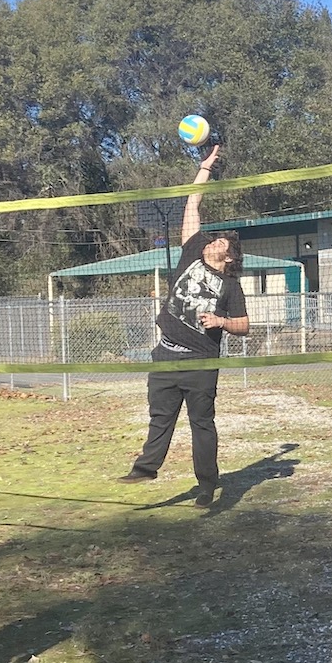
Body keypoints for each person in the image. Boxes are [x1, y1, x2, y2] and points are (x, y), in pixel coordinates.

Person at [118, 144, 249, 505]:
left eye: (220, 241)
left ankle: (207, 486)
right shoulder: (192, 251)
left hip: (200, 363)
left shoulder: (231, 286)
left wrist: (221, 320)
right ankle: (146, 468)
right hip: (165, 356)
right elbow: (192, 205)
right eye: (214, 238)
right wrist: (204, 168)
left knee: (201, 426)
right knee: (160, 417)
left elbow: (244, 325)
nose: (213, 241)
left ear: (229, 257)